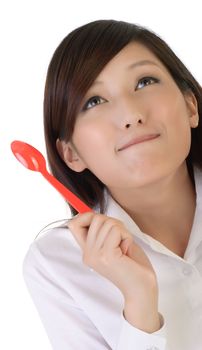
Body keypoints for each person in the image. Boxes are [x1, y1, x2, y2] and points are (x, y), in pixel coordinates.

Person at [22, 19, 202, 350]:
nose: (130, 115)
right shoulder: (57, 263)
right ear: (71, 154)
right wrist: (138, 302)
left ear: (191, 106)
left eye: (145, 81)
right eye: (93, 101)